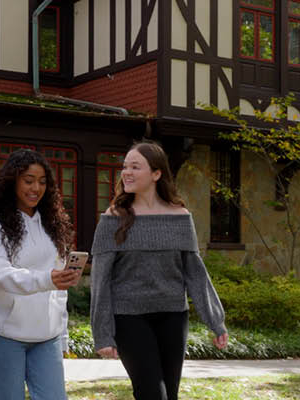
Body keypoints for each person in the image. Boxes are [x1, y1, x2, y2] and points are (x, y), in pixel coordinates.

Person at [89, 141, 228, 400]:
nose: (126, 172)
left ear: (156, 174)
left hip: (173, 317)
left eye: (135, 167)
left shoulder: (180, 216)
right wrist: (102, 333)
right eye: (125, 167)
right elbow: (101, 280)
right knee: (152, 394)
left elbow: (195, 274)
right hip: (129, 318)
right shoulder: (112, 219)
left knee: (169, 395)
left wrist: (215, 321)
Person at [0, 149, 80, 400]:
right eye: (29, 180)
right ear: (13, 181)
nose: (36, 188)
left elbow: (58, 290)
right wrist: (47, 279)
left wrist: (62, 335)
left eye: (42, 182)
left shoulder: (52, 223)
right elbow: (1, 273)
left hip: (47, 337)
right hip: (4, 335)